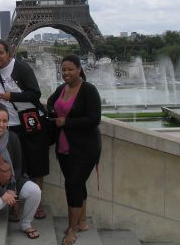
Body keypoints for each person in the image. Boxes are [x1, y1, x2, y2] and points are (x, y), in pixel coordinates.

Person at [0, 39, 49, 220]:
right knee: (13, 168)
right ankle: (15, 205)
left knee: (36, 166)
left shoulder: (21, 68)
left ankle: (36, 204)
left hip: (31, 124)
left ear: (9, 53)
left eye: (1, 52)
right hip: (9, 127)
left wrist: (11, 96)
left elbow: (35, 93)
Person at [47, 55, 101, 245]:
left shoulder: (88, 90)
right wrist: (52, 115)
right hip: (64, 146)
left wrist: (66, 122)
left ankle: (72, 229)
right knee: (77, 184)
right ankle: (83, 221)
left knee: (73, 185)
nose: (66, 73)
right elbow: (50, 103)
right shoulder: (62, 88)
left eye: (70, 69)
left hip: (84, 148)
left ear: (79, 69)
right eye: (63, 70)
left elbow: (95, 119)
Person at [0, 104, 41, 239]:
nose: (1, 125)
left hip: (11, 179)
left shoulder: (13, 137)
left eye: (5, 121)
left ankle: (26, 224)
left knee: (35, 191)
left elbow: (17, 167)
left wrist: (11, 188)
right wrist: (2, 193)